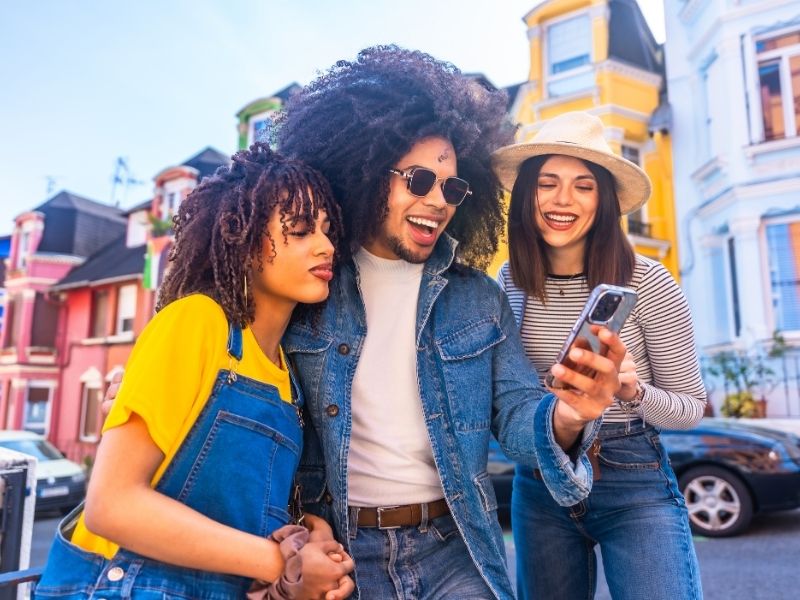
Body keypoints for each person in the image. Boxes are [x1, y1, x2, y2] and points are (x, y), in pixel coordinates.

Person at [275, 46, 627, 599]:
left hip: (455, 547)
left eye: (454, 188)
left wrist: (568, 415)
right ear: (364, 173)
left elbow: (514, 418)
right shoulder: (308, 286)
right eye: (418, 180)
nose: (438, 201)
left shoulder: (479, 299)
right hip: (341, 554)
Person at [35, 144, 355, 600]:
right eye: (301, 230)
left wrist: (310, 532)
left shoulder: (289, 378)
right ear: (241, 241)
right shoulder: (196, 323)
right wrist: (282, 564)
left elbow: (235, 505)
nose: (325, 246)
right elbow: (111, 506)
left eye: (328, 231)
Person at [492, 111, 706, 600]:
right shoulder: (509, 283)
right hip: (542, 477)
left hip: (634, 474)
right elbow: (511, 399)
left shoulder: (649, 282)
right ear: (527, 196)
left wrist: (630, 389)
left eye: (583, 186)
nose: (563, 199)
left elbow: (690, 408)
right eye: (547, 183)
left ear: (604, 201)